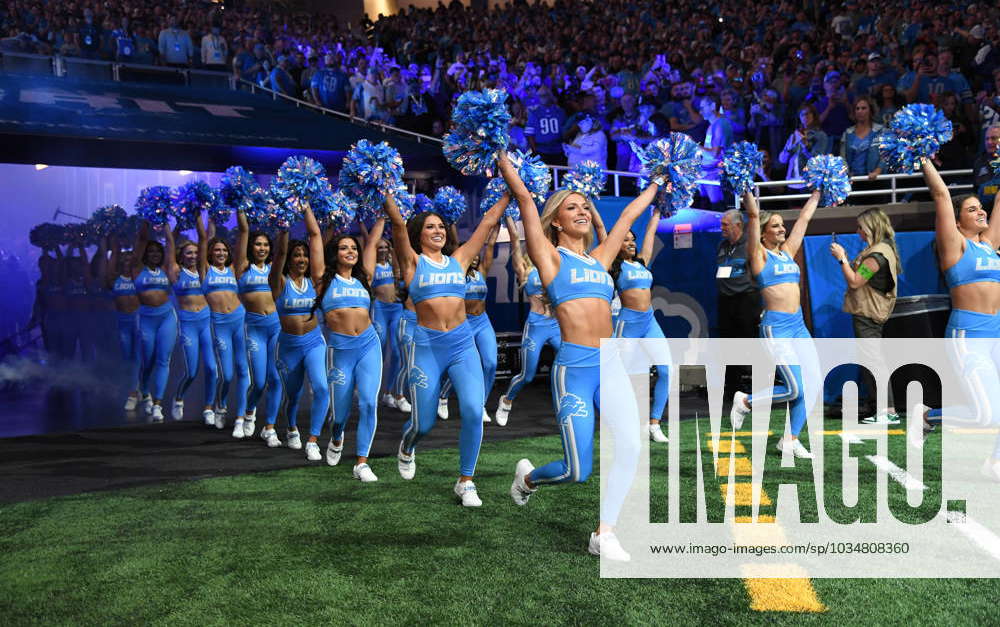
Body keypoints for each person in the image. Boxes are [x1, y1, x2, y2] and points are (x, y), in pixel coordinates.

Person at [501, 151, 658, 560]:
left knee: (631, 447)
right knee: (577, 471)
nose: (582, 211)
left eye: (585, 206)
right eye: (572, 207)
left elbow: (626, 218)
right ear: (557, 220)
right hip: (575, 368)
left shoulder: (602, 258)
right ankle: (529, 479)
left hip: (611, 365)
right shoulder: (551, 258)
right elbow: (524, 200)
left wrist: (661, 180)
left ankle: (603, 533)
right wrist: (499, 153)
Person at [384, 188, 507, 506]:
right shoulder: (413, 263)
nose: (438, 230)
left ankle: (466, 480)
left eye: (441, 226)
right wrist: (382, 189)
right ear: (419, 235)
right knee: (423, 423)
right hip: (426, 348)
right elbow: (397, 225)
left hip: (462, 345)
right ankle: (408, 445)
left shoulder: (460, 260)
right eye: (430, 227)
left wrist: (510, 191)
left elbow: (488, 221)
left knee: (472, 411)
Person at [916, 160, 1000, 480]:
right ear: (958, 218)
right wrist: (924, 158)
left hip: (997, 334)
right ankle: (927, 418)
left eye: (982, 208)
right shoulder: (956, 245)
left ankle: (995, 463)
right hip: (970, 336)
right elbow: (940, 194)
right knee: (987, 415)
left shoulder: (989, 245)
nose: (981, 212)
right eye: (972, 209)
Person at [730, 189, 823, 459]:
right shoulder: (759, 257)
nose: (782, 229)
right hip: (776, 328)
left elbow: (804, 220)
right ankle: (745, 401)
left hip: (798, 327)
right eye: (776, 226)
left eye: (783, 225)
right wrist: (747, 195)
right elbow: (753, 214)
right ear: (763, 233)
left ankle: (790, 439)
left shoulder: (787, 253)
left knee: (814, 383)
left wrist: (817, 192)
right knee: (795, 388)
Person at [306, 208, 382, 482]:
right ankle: (336, 436)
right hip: (339, 351)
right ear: (334, 253)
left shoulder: (365, 279)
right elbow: (314, 234)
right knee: (340, 413)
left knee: (369, 404)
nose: (350, 251)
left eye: (353, 248)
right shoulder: (322, 279)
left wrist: (385, 207)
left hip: (368, 345)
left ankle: (362, 462)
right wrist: (305, 206)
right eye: (343, 247)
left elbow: (372, 242)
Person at [829, 208, 901, 423]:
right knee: (871, 361)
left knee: (874, 362)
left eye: (860, 226)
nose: (858, 231)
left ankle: (887, 412)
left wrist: (842, 259)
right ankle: (882, 409)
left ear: (871, 227)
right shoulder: (881, 250)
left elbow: (854, 282)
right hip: (869, 312)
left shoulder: (877, 255)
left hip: (868, 314)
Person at [494, 215, 561, 426]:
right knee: (528, 374)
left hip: (558, 325)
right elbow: (515, 238)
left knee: (566, 367)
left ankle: (565, 406)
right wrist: (509, 214)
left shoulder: (556, 265)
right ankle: (506, 400)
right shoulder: (525, 269)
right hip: (536, 325)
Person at [610, 212, 671, 443]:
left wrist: (657, 212)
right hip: (627, 324)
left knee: (667, 371)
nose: (631, 242)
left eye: (632, 238)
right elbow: (601, 232)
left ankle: (654, 424)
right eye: (625, 239)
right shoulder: (614, 267)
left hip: (649, 321)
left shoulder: (642, 262)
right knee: (623, 378)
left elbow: (650, 233)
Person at [269, 231, 329, 460]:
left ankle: (313, 440)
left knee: (322, 388)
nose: (302, 259)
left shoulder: (314, 281)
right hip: (288, 346)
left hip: (314, 341)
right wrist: (284, 226)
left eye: (304, 255)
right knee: (293, 395)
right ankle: (291, 427)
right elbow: (280, 253)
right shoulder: (279, 281)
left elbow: (318, 244)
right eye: (297, 255)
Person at [438, 224, 501, 423]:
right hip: (464, 324)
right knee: (461, 364)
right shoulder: (455, 275)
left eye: (476, 255)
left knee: (490, 363)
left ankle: (480, 405)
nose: (474, 257)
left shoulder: (481, 271)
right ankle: (443, 396)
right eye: (470, 254)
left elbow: (490, 245)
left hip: (482, 321)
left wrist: (497, 223)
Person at [195, 215, 250, 438]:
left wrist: (240, 208)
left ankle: (240, 418)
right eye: (216, 250)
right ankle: (221, 404)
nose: (221, 253)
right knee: (226, 375)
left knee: (244, 371)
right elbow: (201, 238)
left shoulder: (234, 270)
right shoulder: (205, 271)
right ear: (209, 253)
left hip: (240, 321)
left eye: (224, 251)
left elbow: (244, 235)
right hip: (219, 324)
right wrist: (198, 209)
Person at [163, 222, 217, 426]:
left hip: (206, 321)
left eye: (195, 252)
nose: (193, 256)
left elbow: (209, 238)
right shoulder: (176, 272)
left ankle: (209, 407)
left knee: (212, 369)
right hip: (187, 324)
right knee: (192, 371)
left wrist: (211, 214)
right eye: (188, 253)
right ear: (181, 255)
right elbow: (169, 243)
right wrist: (168, 221)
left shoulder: (205, 270)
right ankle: (178, 398)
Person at [235, 212, 282, 446]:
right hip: (254, 327)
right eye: (257, 244)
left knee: (276, 379)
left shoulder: (275, 268)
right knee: (260, 381)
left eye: (265, 244)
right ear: (251, 247)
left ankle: (270, 427)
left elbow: (284, 251)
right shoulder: (243, 267)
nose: (261, 248)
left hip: (276, 326)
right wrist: (241, 207)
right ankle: (250, 410)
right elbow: (243, 230)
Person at [131, 222, 177, 422]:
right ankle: (145, 391)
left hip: (167, 317)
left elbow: (170, 244)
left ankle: (158, 403)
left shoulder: (167, 269)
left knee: (163, 360)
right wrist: (147, 220)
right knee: (147, 359)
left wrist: (166, 223)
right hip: (146, 318)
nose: (155, 254)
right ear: (145, 254)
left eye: (158, 252)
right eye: (151, 252)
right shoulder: (137, 268)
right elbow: (141, 239)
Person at [716, 210, 761, 398]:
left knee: (751, 343)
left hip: (746, 300)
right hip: (725, 301)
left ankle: (760, 385)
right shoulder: (722, 245)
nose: (722, 228)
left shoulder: (750, 244)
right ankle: (732, 386)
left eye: (726, 225)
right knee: (728, 345)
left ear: (738, 225)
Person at [366, 231, 405, 411]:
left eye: (385, 247)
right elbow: (369, 240)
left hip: (396, 309)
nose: (382, 250)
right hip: (380, 309)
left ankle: (388, 392)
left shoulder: (393, 265)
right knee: (379, 350)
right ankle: (371, 391)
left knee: (397, 352)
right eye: (379, 247)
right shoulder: (371, 267)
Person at [104, 235, 143, 410]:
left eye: (130, 258)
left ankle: (133, 393)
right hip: (122, 320)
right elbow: (111, 261)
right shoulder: (114, 279)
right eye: (124, 258)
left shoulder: (140, 278)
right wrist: (114, 240)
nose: (127, 261)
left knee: (137, 358)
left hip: (138, 319)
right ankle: (137, 387)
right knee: (128, 358)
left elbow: (140, 253)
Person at [779, 105, 831, 191]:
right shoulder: (794, 135)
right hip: (791, 183)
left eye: (808, 113)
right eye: (802, 114)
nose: (806, 116)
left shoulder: (820, 135)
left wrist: (805, 145)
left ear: (814, 115)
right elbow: (782, 160)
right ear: (799, 117)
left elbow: (817, 160)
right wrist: (788, 148)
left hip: (809, 182)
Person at [840, 96, 884, 180]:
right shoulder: (847, 133)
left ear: (871, 111)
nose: (860, 111)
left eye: (864, 108)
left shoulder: (880, 131)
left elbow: (885, 156)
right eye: (857, 108)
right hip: (853, 180)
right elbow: (843, 158)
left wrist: (877, 172)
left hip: (876, 179)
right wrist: (846, 173)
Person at [525, 86, 568, 165]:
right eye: (541, 96)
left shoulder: (560, 111)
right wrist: (535, 152)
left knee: (560, 174)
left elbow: (565, 131)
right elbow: (529, 134)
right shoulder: (534, 113)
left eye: (545, 95)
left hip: (558, 150)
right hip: (542, 150)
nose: (543, 98)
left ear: (550, 96)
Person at [972, 125, 1000, 207]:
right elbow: (979, 191)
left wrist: (988, 189)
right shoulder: (979, 162)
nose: (989, 142)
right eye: (987, 139)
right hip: (987, 213)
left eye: (994, 138)